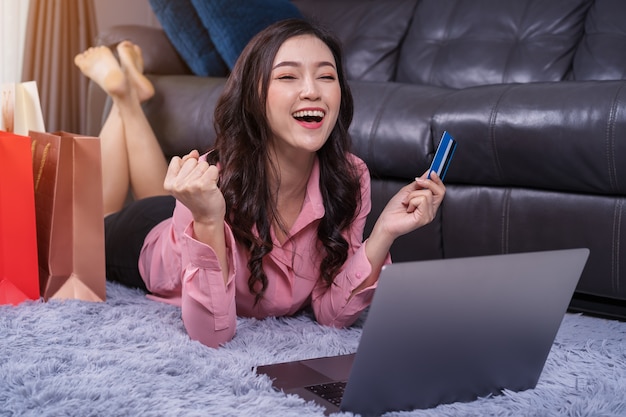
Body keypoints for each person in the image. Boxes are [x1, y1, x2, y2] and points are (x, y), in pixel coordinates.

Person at [74, 19, 446, 349]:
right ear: (255, 95)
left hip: (180, 212)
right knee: (92, 228)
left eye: (326, 76)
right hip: (148, 241)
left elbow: (334, 315)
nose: (312, 91)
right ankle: (122, 96)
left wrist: (383, 233)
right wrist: (205, 219)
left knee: (159, 190)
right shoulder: (216, 177)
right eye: (288, 76)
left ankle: (127, 97)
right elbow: (210, 335)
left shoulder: (350, 177)